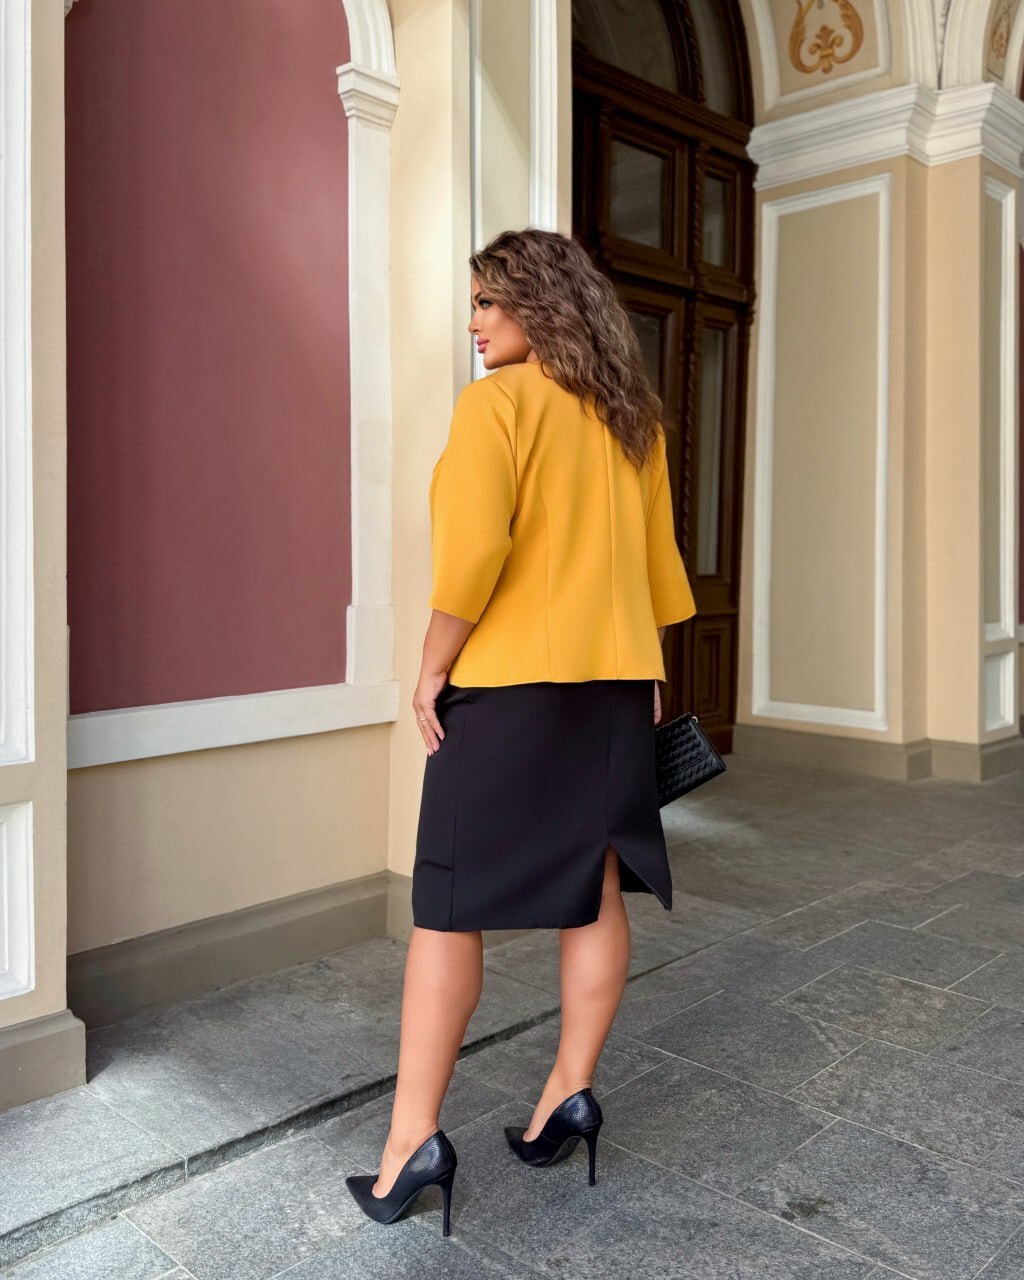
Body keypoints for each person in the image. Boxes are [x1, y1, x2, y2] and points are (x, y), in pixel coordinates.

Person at [345, 228, 697, 1236]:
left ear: (538, 307)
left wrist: (431, 665)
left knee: (447, 905)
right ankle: (566, 1096)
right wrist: (648, 674)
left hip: (509, 690)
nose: (473, 322)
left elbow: (472, 554)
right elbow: (658, 570)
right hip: (614, 686)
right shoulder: (630, 421)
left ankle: (410, 1143)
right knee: (597, 887)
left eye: (487, 302)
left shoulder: (495, 405)